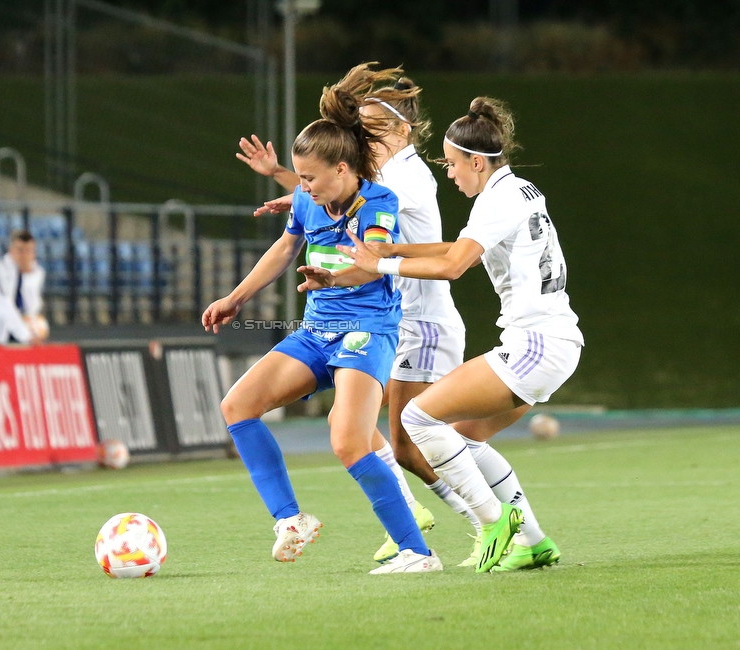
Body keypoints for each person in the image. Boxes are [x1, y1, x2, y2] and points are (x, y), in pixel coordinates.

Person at [239, 67, 557, 571]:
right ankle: (439, 522)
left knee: (414, 437)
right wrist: (296, 186)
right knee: (371, 431)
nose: (362, 136)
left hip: (420, 322)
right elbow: (335, 185)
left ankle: (488, 527)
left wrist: (302, 192)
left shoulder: (405, 177)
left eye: (371, 126)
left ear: (401, 131)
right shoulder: (385, 175)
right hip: (399, 319)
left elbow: (357, 209)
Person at [308, 96, 583, 572]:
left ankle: (493, 523)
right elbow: (458, 246)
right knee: (467, 440)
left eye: (454, 164)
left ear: (477, 161)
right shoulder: (518, 189)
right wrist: (394, 246)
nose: (450, 174)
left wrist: (382, 262)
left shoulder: (495, 199)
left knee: (417, 419)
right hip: (555, 341)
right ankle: (533, 541)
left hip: (535, 344)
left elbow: (456, 265)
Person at [205, 65, 442, 574]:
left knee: (347, 441)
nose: (302, 188)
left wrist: (334, 279)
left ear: (342, 169)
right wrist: (236, 297)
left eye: (309, 178)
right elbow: (285, 247)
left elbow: (373, 259)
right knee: (238, 407)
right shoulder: (311, 201)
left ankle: (418, 554)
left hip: (367, 331)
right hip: (316, 332)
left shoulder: (379, 201)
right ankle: (290, 520)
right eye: (299, 178)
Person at [0, 229, 48, 344]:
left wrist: (28, 278)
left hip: (24, 341)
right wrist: (26, 335)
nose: (24, 255)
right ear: (11, 250)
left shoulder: (37, 272)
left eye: (29, 251)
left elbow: (32, 309)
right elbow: (4, 304)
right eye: (20, 250)